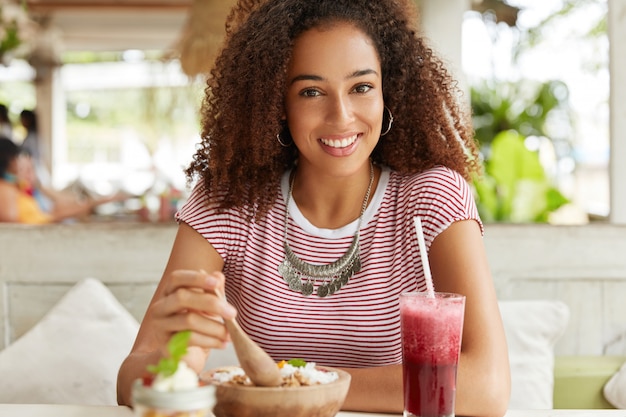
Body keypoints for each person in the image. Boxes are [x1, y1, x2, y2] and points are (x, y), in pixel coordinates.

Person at [117, 0, 511, 415]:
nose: (341, 116)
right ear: (277, 104)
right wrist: (166, 367)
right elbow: (133, 381)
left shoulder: (431, 197)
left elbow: (486, 386)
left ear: (388, 91)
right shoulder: (227, 203)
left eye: (361, 87)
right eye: (310, 92)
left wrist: (295, 386)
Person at [0, 137, 121, 224]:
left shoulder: (21, 188)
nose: (29, 174)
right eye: (22, 169)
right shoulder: (8, 189)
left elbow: (53, 211)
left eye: (30, 169)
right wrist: (92, 203)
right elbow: (12, 221)